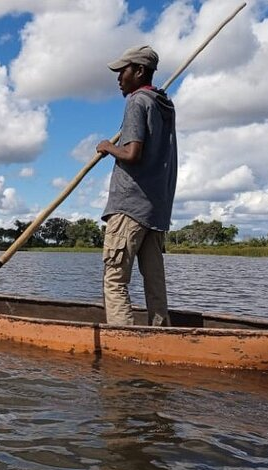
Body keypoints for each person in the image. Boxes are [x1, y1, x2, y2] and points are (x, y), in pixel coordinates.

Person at [95, 45, 177, 327]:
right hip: (154, 211)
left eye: (123, 72)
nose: (119, 78)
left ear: (139, 71)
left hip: (130, 206)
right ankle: (161, 332)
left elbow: (132, 154)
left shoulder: (136, 102)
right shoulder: (164, 104)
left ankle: (123, 344)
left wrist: (109, 146)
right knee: (155, 281)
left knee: (115, 277)